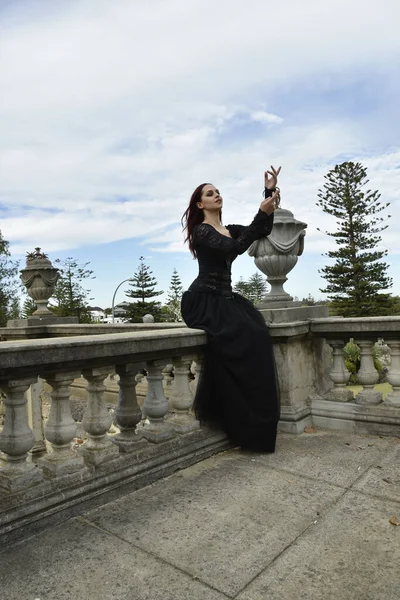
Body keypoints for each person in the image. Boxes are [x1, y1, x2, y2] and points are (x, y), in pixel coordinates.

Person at [180, 166, 281, 452]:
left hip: (226, 299)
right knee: (241, 339)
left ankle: (253, 426)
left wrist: (269, 193)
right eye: (210, 193)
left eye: (218, 191)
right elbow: (234, 248)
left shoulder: (229, 228)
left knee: (258, 335)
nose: (216, 195)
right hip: (204, 300)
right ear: (200, 204)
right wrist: (261, 211)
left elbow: (261, 229)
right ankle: (236, 420)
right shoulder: (202, 231)